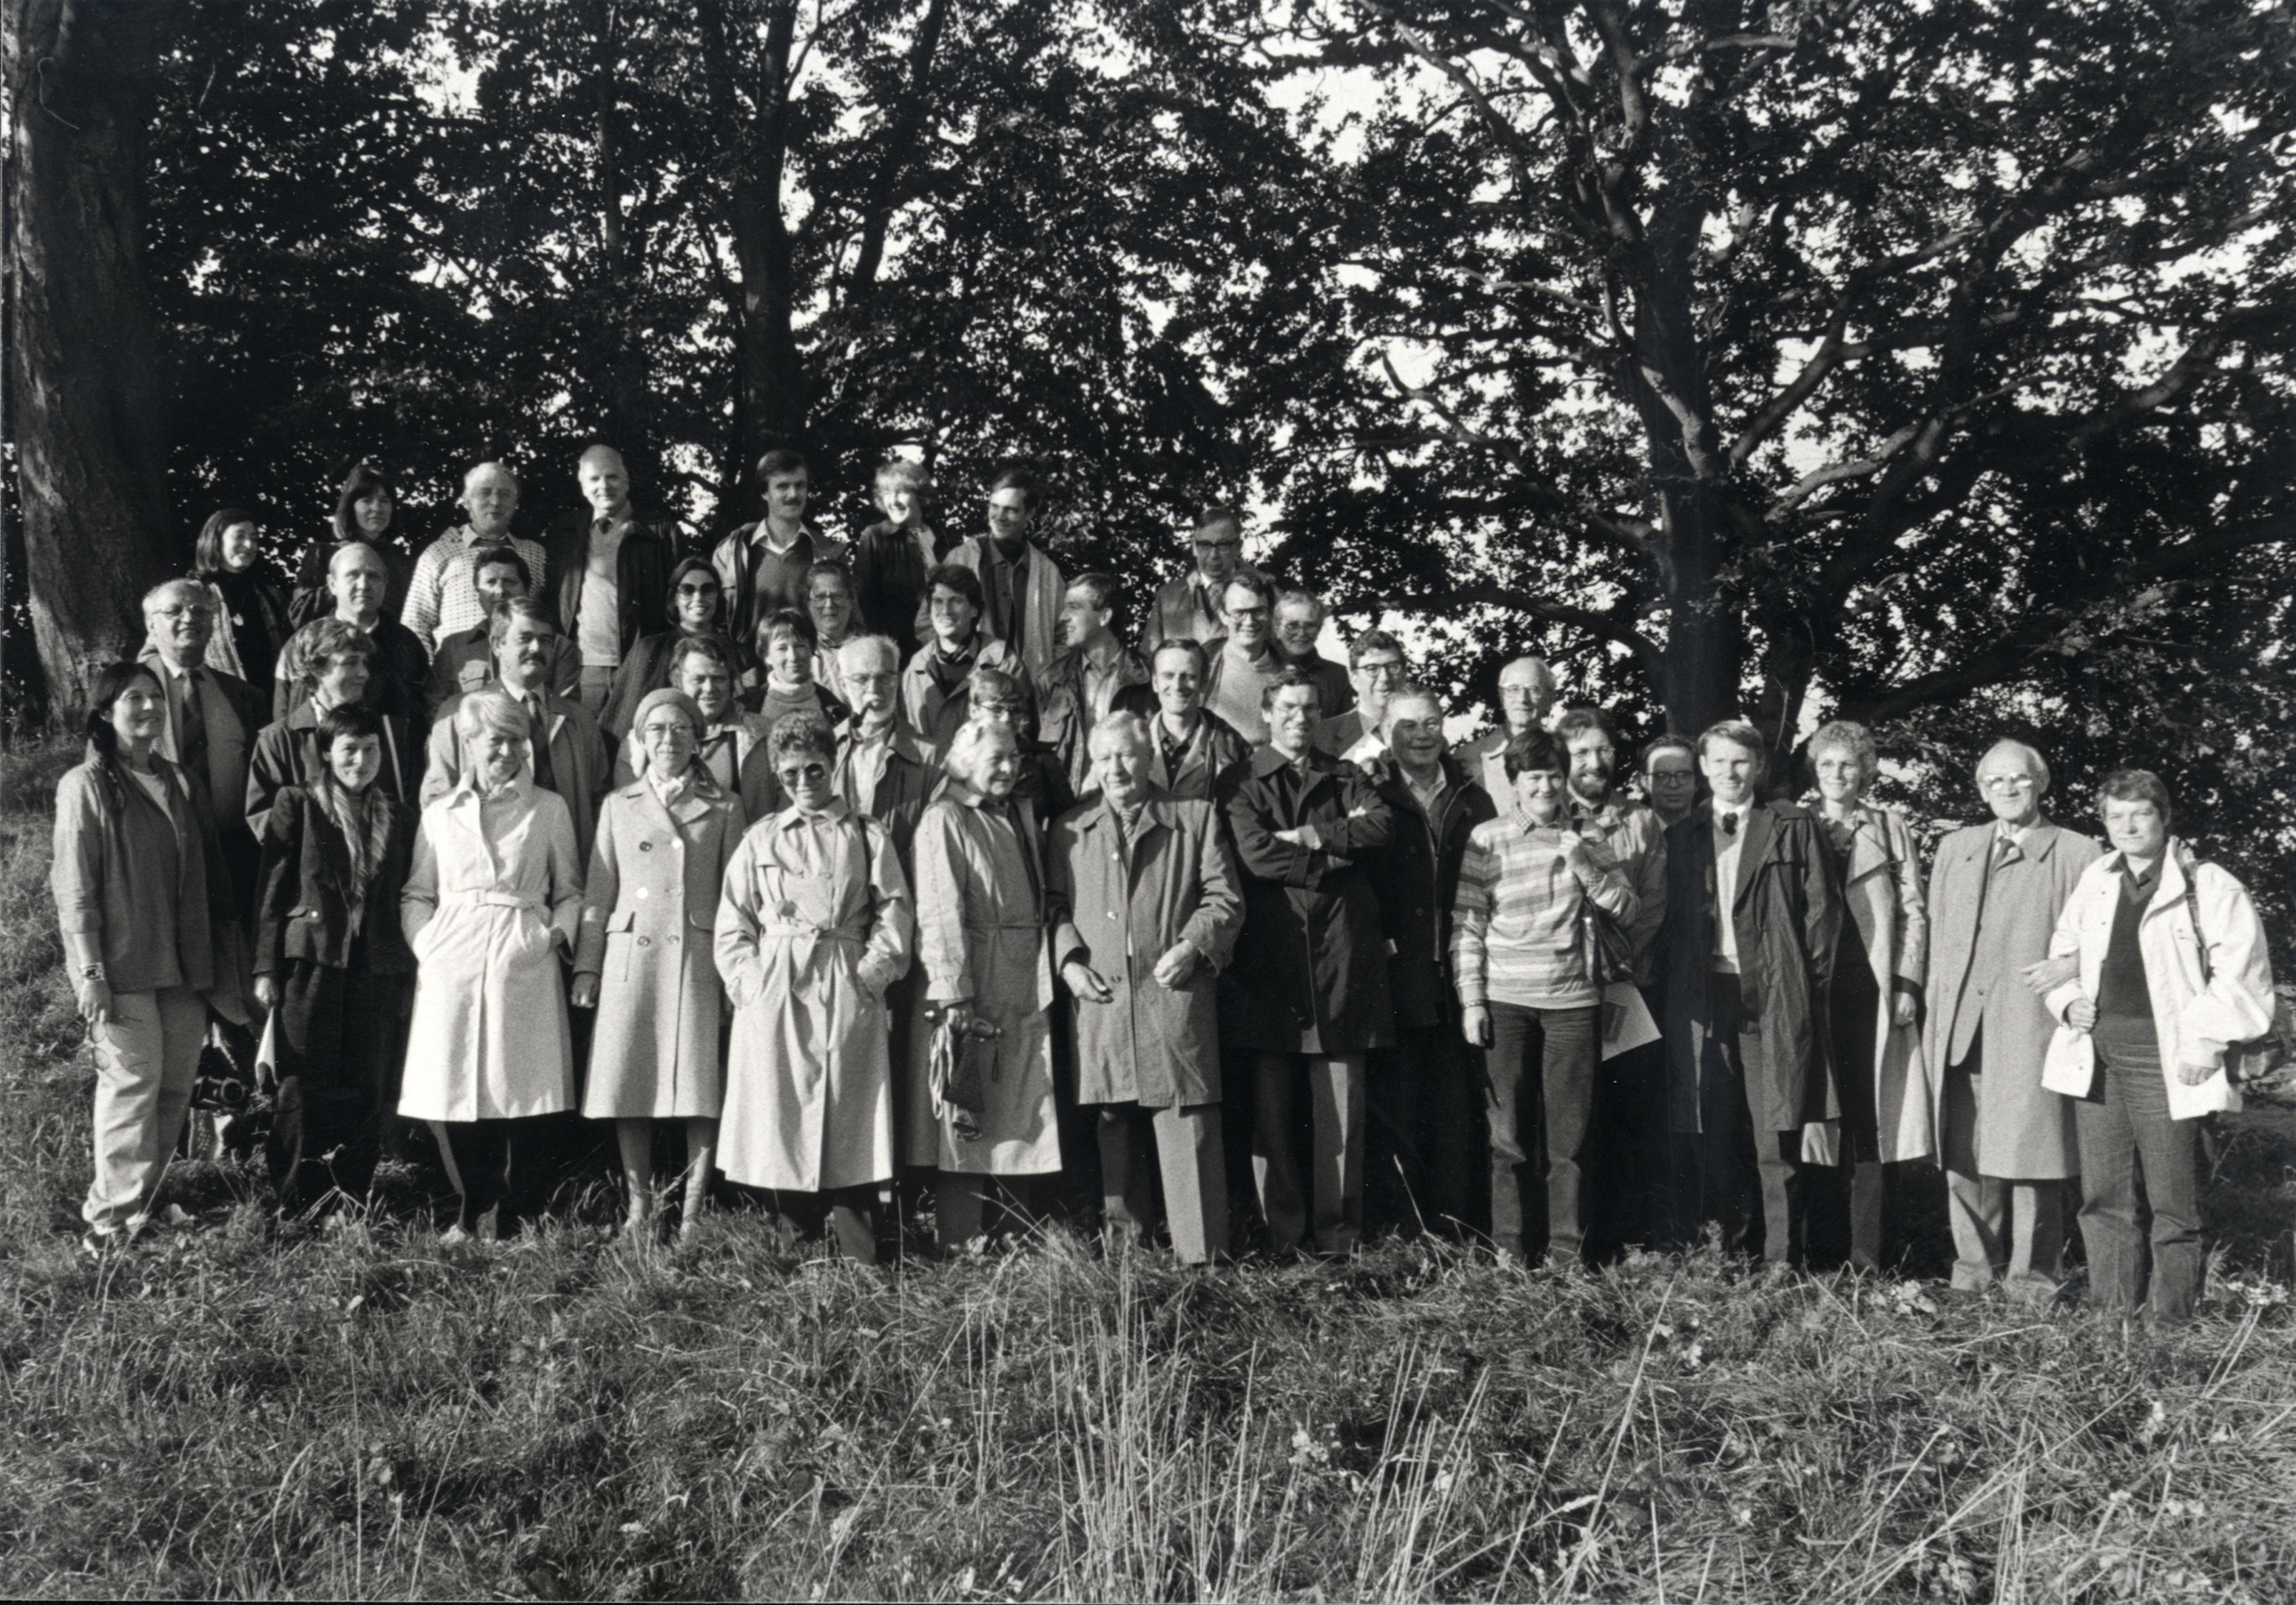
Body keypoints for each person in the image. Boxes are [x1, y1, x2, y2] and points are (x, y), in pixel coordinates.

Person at [2038, 770, 2275, 1323]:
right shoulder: (2098, 876)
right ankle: (2112, 1314)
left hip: (2166, 1056)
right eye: (2115, 817)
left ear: (2164, 817)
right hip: (2097, 1052)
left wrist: (2205, 1045)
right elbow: (2064, 949)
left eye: (2140, 814)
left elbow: (2241, 976)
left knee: (2172, 1200)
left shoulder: (2209, 884)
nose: (2128, 826)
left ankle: (2169, 1322)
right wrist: (2067, 1000)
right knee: (2103, 1195)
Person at [717, 711, 914, 1261]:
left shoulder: (864, 833)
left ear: (834, 767)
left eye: (815, 770)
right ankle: (796, 1245)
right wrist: (750, 983)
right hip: (778, 983)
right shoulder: (761, 838)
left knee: (848, 1108)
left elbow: (894, 911)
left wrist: (871, 974)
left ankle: (861, 1253)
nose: (804, 783)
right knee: (785, 1109)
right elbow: (733, 922)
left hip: (843, 975)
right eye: (791, 774)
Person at [1048, 713, 1243, 1264]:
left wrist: (1193, 946)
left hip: (1173, 993)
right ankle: (1129, 1261)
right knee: (1114, 1122)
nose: (1116, 767)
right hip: (1102, 997)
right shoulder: (1068, 828)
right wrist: (1068, 962)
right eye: (1104, 757)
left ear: (1149, 758)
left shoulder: (1194, 817)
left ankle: (1202, 1261)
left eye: (1128, 755)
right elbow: (1052, 905)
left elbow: (1224, 899)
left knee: (1186, 1117)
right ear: (1092, 764)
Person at [54, 662, 228, 1252]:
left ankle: (143, 1206)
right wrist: (91, 970)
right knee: (132, 1085)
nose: (150, 707)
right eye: (135, 698)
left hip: (182, 961)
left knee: (175, 1085)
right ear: (106, 710)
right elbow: (74, 887)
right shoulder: (86, 784)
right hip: (120, 963)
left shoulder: (179, 780)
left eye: (157, 697)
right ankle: (108, 1220)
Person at [399, 689, 585, 1240]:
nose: (506, 752)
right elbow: (417, 891)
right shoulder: (439, 814)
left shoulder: (548, 808)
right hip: (451, 958)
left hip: (520, 955)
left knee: (521, 1090)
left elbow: (571, 890)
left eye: (515, 741)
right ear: (469, 744)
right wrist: (426, 945)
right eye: (494, 741)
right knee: (451, 1089)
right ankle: (469, 1210)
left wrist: (548, 936)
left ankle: (514, 1214)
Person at [1658, 720, 1841, 1269]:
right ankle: (1730, 1249)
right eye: (1718, 762)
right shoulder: (1683, 835)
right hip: (1707, 999)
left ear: (1758, 767)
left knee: (1774, 1136)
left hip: (1773, 997)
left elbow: (1822, 915)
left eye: (1740, 762)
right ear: (1703, 769)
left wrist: (1802, 990)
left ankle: (1784, 1260)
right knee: (1715, 1130)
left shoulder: (1791, 824)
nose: (1729, 773)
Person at [1225, 670, 1396, 1255]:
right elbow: (1255, 854)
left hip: (1341, 955)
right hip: (1270, 960)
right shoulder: (1241, 779)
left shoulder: (1347, 773)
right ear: (1268, 713)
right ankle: (1282, 1233)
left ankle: (1338, 1237)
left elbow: (1380, 825)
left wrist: (1308, 834)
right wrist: (1334, 860)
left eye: (1309, 709)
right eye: (1288, 708)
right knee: (1272, 1109)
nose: (1300, 718)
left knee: (1340, 1110)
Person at [1923, 739, 2101, 1301]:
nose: (2006, 789)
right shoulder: (1958, 847)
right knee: (1964, 1151)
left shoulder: (2078, 851)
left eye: (2019, 779)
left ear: (2041, 783)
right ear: (1980, 789)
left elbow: (2106, 936)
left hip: (2031, 1024)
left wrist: (2070, 964)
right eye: (1993, 781)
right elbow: (1935, 931)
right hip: (1960, 1024)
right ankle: (1974, 1272)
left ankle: (2032, 1283)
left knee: (2033, 1153)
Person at [1452, 728, 1637, 1267]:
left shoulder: (1588, 832)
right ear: (1513, 782)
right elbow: (1467, 924)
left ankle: (1567, 1253)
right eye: (1534, 777)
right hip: (1506, 1002)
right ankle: (1511, 1250)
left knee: (1571, 1142)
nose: (1546, 787)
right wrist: (1473, 1001)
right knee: (1507, 1138)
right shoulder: (1487, 838)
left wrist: (1584, 864)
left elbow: (1627, 906)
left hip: (1574, 1005)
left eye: (1554, 775)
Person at [571, 688, 747, 1242]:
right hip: (632, 960)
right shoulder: (617, 805)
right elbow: (599, 893)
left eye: (680, 729)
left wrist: (734, 976)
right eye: (656, 730)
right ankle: (639, 1208)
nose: (668, 740)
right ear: (640, 741)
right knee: (629, 1078)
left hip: (696, 957)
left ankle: (694, 1210)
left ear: (698, 740)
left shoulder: (724, 807)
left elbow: (737, 898)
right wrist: (588, 966)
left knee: (700, 1083)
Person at [251, 702, 418, 1216]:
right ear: (327, 753)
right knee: (301, 1083)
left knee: (368, 1084)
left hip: (376, 967)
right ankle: (290, 1201)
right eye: (349, 750)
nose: (361, 761)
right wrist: (265, 968)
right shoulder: (298, 804)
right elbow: (273, 889)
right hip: (312, 963)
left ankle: (353, 1198)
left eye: (370, 750)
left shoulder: (399, 814)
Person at [907, 719, 1061, 1251]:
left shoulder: (1016, 813)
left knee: (1021, 1109)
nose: (1008, 768)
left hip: (1023, 975)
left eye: (1013, 758)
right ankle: (960, 1239)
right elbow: (939, 910)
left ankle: (1012, 1236)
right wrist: (954, 992)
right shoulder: (944, 819)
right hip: (979, 978)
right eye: (995, 758)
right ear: (965, 761)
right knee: (969, 1107)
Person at [1363, 685, 1496, 1236]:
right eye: (1407, 725)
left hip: (1459, 980)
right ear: (1384, 732)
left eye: (1431, 722)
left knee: (1455, 1111)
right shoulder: (1370, 793)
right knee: (1397, 1107)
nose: (1422, 735)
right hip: (1394, 977)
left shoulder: (1472, 796)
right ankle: (1404, 1232)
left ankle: (1454, 1231)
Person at [1806, 720, 1932, 1272]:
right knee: (1819, 1116)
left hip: (1873, 989)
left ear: (1866, 771)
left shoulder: (1889, 826)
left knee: (1870, 1118)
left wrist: (1906, 983)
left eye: (1848, 764)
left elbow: (1913, 910)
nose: (1838, 774)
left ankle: (1867, 1258)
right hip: (1815, 991)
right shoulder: (1795, 823)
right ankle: (1819, 1249)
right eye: (1828, 763)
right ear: (1815, 769)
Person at [1556, 708, 1672, 1258]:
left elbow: (1651, 906)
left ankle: (1629, 1235)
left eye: (1601, 750)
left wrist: (1618, 968)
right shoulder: (1547, 816)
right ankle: (1576, 1238)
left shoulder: (1641, 822)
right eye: (1580, 752)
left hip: (1626, 987)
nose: (1593, 762)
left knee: (1628, 1118)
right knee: (1573, 1120)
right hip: (1559, 993)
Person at [138, 580, 266, 1069]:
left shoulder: (241, 695)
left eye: (199, 610)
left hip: (233, 857)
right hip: (161, 861)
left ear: (214, 621)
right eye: (174, 611)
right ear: (152, 623)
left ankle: (234, 1080)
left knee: (230, 966)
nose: (188, 618)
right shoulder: (130, 692)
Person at [424, 598, 611, 868]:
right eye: (525, 638)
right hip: (491, 879)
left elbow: (600, 801)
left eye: (546, 640)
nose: (536, 648)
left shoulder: (579, 720)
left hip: (567, 875)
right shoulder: (457, 715)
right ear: (498, 644)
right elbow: (437, 801)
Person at [248, 621, 420, 837]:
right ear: (315, 669)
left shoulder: (390, 731)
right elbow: (266, 822)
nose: (364, 673)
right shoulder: (278, 740)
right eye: (350, 663)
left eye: (364, 662)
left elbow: (413, 811)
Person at [546, 444, 678, 716]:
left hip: (640, 668)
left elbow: (677, 606)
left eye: (612, 476)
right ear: (582, 486)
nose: (604, 485)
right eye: (594, 479)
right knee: (585, 751)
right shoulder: (564, 534)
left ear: (626, 479)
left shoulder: (660, 533)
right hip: (582, 671)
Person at [401, 462, 548, 655]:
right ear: (467, 501)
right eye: (485, 493)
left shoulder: (534, 554)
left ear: (515, 503)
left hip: (519, 669)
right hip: (456, 671)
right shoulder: (440, 552)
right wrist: (432, 674)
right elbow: (415, 623)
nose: (495, 502)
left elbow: (546, 618)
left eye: (504, 494)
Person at [596, 555, 749, 740]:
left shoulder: (738, 653)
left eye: (707, 590)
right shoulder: (649, 650)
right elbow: (623, 720)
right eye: (687, 590)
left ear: (718, 597)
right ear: (674, 599)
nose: (698, 597)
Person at [276, 541, 430, 724]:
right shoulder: (303, 643)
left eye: (373, 576)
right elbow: (283, 716)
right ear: (332, 584)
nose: (363, 585)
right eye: (352, 576)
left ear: (385, 584)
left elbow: (424, 709)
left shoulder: (406, 643)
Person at [709, 448, 844, 647]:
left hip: (811, 669)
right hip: (749, 673)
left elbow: (849, 623)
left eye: (800, 485)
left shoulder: (829, 553)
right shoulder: (732, 552)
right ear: (765, 492)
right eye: (783, 486)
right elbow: (715, 622)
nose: (793, 494)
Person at [422, 546, 581, 715]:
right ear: (478, 592)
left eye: (509, 582)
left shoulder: (559, 647)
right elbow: (436, 707)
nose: (500, 591)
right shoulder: (453, 647)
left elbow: (566, 712)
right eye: (490, 582)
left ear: (526, 590)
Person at [945, 466, 1065, 678]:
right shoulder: (960, 559)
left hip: (1028, 692)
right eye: (994, 506)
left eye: (1011, 509)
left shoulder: (1048, 573)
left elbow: (1064, 636)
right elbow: (927, 621)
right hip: (969, 685)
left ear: (1029, 513)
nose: (999, 516)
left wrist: (1050, 678)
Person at [900, 563, 1034, 750]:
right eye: (938, 602)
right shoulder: (915, 669)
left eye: (956, 601)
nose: (945, 611)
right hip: (930, 778)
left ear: (974, 610)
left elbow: (1024, 734)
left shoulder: (1004, 663)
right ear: (929, 610)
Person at [1039, 572, 1150, 796]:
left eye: (1074, 607)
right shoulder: (1052, 680)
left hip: (1128, 805)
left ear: (1104, 616)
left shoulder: (1148, 677)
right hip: (1068, 813)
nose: (1062, 617)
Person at [291, 461, 412, 627]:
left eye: (384, 500)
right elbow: (299, 615)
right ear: (350, 507)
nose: (377, 508)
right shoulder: (324, 554)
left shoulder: (402, 562)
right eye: (366, 500)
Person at [848, 459, 946, 656]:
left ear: (919, 495)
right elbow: (864, 603)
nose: (893, 501)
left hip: (943, 643)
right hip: (900, 651)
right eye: (886, 493)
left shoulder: (939, 534)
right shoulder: (875, 537)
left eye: (901, 492)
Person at [191, 508, 291, 698]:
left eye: (254, 539)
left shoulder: (271, 596)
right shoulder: (193, 594)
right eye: (239, 536)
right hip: (220, 710)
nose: (249, 545)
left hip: (272, 710)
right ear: (215, 541)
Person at [1141, 639, 1250, 801]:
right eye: (1168, 676)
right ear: (1155, 683)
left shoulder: (1232, 745)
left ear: (1204, 683)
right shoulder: (1133, 738)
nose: (1177, 686)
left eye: (1189, 676)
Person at [969, 666, 1074, 824]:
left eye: (1015, 710)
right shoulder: (958, 763)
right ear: (974, 711)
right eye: (996, 709)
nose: (1006, 718)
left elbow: (1069, 822)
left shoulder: (1041, 762)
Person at [1137, 505, 1242, 658]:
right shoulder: (1168, 597)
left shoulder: (1262, 593)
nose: (1213, 555)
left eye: (1223, 545)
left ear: (1238, 547)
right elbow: (1149, 660)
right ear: (1194, 546)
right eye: (1205, 545)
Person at [1202, 571, 1287, 745]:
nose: (1249, 622)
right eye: (1239, 613)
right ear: (1223, 616)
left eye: (1258, 612)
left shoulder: (1288, 668)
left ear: (1270, 614)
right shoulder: (1202, 664)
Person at [1457, 657, 1559, 797]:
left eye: (1533, 690)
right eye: (1513, 689)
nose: (1522, 699)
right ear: (1501, 696)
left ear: (1550, 698)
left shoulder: (1566, 753)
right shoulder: (1468, 757)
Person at [744, 608, 850, 735]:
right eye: (782, 648)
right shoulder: (748, 708)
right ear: (766, 655)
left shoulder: (836, 711)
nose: (793, 656)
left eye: (800, 646)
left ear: (812, 649)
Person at [1314, 628, 1406, 763]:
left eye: (1393, 667)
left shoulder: (1424, 734)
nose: (1384, 677)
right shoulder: (1323, 736)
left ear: (1404, 675)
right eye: (1372, 669)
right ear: (1354, 680)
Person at [1273, 589, 1354, 720]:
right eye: (1292, 626)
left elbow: (1346, 731)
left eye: (1309, 626)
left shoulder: (1336, 676)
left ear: (1319, 629)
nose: (1301, 633)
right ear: (1276, 628)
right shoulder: (1260, 667)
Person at [807, 561, 860, 708]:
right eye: (820, 597)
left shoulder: (866, 648)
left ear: (850, 600)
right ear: (808, 603)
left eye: (838, 596)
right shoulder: (800, 652)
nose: (829, 605)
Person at [1640, 735, 1700, 827]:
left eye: (1683, 775)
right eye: (1661, 776)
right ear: (1645, 782)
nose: (1673, 784)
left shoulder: (1714, 835)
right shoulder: (1631, 836)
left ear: (1697, 782)